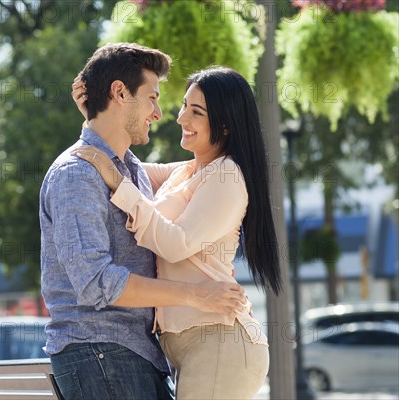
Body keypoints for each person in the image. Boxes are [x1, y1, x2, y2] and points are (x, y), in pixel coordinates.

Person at [40, 44, 248, 400]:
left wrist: (95, 118)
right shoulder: (77, 174)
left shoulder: (129, 169)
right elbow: (93, 281)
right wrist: (198, 295)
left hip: (125, 354)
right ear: (120, 93)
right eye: (152, 98)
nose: (158, 113)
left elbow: (200, 171)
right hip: (101, 352)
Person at [71, 65, 282, 399]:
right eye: (184, 106)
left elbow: (175, 243)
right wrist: (98, 118)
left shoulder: (227, 176)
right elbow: (123, 161)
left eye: (195, 112)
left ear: (225, 125)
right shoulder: (186, 171)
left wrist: (118, 184)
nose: (181, 118)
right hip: (191, 345)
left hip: (219, 341)